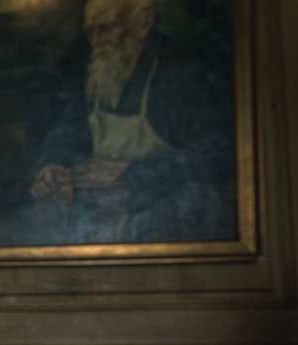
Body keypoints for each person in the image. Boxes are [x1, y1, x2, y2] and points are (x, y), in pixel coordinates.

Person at [24, 0, 235, 245]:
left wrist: (133, 171)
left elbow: (219, 149)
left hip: (160, 208)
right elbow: (66, 131)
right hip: (102, 210)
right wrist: (50, 166)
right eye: (90, 31)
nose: (96, 42)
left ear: (145, 23)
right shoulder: (102, 69)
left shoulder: (183, 70)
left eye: (108, 28)